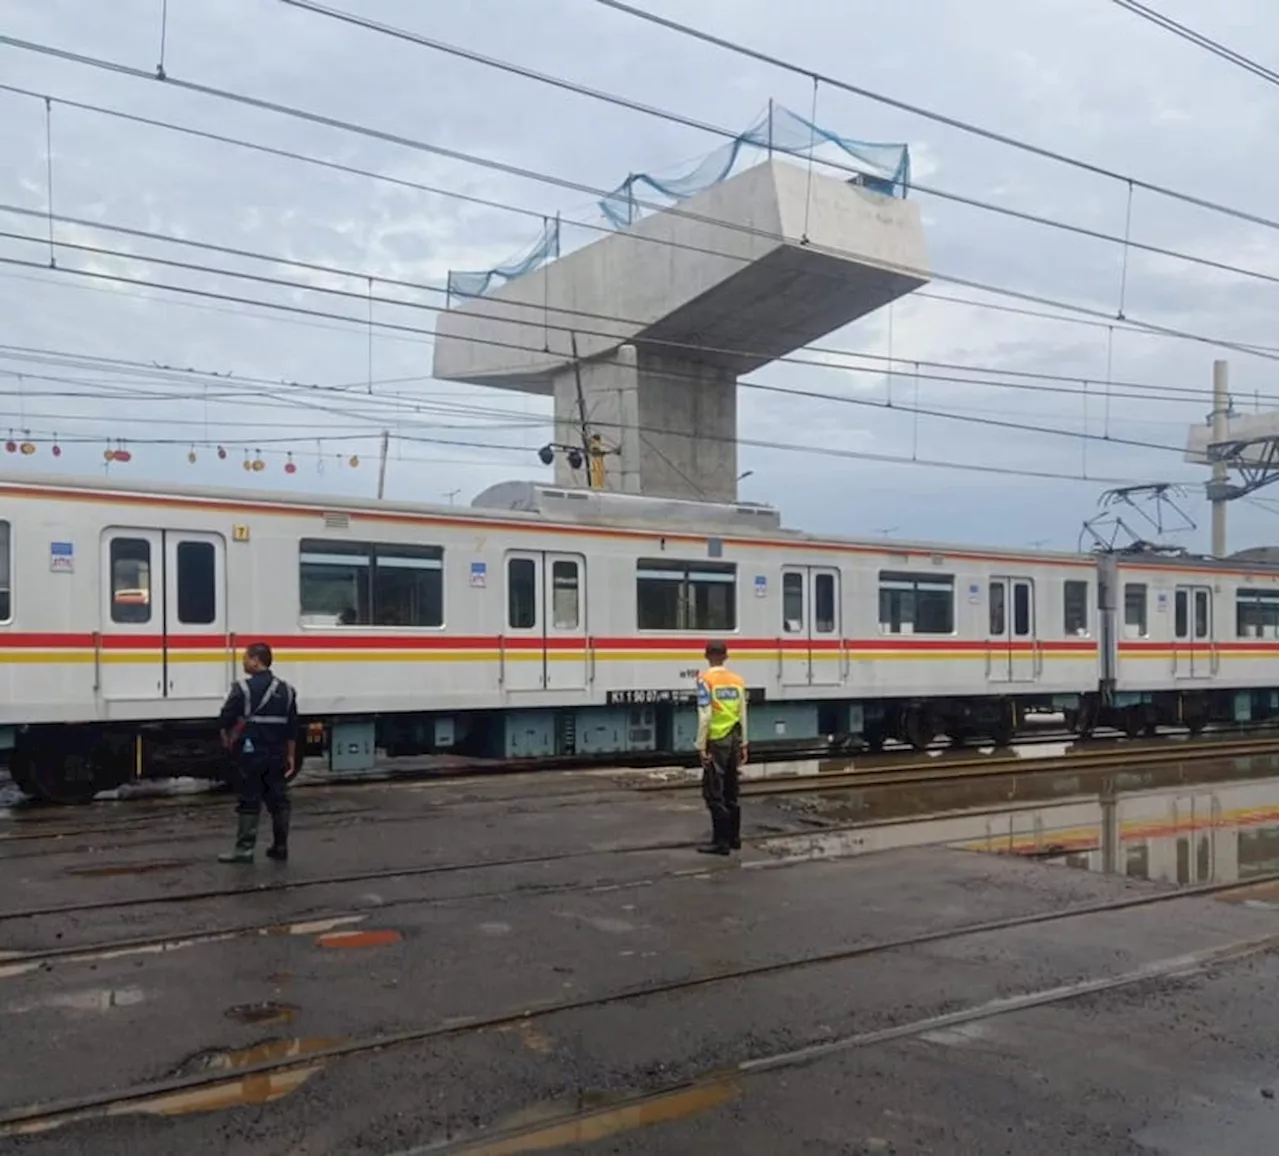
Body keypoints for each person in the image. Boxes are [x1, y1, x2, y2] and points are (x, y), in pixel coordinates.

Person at [216, 642, 298, 864]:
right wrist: (290, 755)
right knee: (279, 800)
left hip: (250, 754)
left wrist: (227, 736)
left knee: (249, 799)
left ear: (256, 660)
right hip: (277, 754)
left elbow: (225, 718)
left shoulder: (242, 689)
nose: (243, 662)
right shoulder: (287, 691)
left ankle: (244, 850)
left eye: (245, 657)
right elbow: (292, 728)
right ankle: (280, 847)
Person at [694, 639, 749, 856]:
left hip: (716, 740)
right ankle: (735, 838)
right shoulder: (737, 680)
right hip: (734, 738)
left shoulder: (704, 680)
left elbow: (705, 715)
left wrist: (701, 745)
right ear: (726, 657)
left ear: (707, 656)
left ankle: (721, 842)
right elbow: (743, 713)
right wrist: (745, 742)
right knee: (731, 789)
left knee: (713, 793)